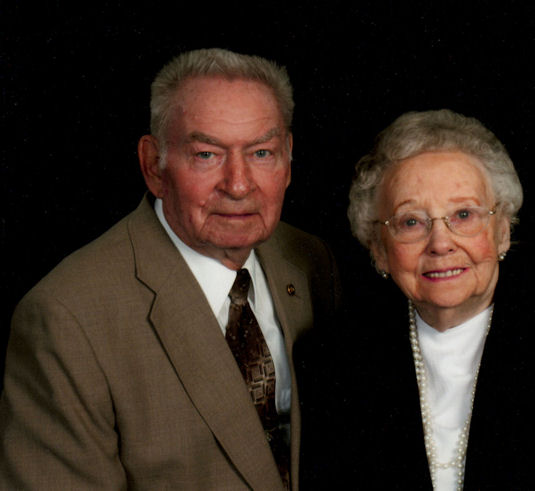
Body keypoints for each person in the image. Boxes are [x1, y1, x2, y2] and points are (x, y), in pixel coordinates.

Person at [0, 48, 340, 490]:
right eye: (206, 154)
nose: (239, 185)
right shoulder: (67, 320)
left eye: (261, 152)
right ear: (153, 166)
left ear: (288, 158)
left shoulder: (312, 261)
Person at [298, 109, 535, 489]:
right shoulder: (332, 365)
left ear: (503, 231)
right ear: (379, 250)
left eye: (464, 214)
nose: (440, 243)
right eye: (411, 222)